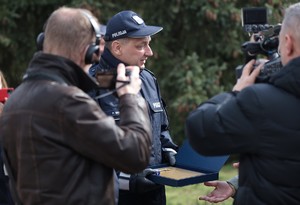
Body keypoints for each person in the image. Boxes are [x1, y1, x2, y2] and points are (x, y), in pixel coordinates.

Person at [0, 7, 153, 205]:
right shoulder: (68, 103)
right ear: (87, 52)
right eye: (96, 49)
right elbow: (136, 154)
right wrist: (130, 96)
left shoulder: (15, 100)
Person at [186, 2, 300, 204]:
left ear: (288, 43)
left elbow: (201, 131)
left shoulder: (260, 102)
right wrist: (239, 181)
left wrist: (237, 91)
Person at [89, 10, 178, 205]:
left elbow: (161, 128)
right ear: (117, 48)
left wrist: (169, 151)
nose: (150, 52)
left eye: (149, 44)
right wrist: (130, 181)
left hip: (154, 195)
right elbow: (89, 151)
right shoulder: (90, 85)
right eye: (141, 46)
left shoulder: (147, 78)